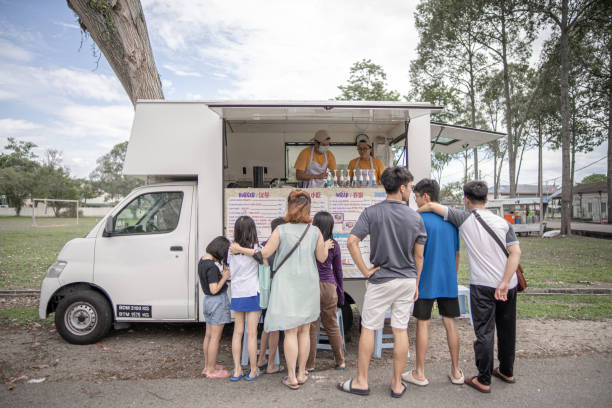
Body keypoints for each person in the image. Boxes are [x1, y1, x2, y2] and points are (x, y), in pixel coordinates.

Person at [417, 180, 521, 394]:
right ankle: (506, 371)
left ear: (466, 199)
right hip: (508, 284)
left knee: (484, 331)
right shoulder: (503, 223)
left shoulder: (464, 219)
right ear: (487, 199)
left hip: (483, 285)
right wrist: (504, 281)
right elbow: (516, 253)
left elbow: (433, 207)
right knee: (507, 329)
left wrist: (419, 209)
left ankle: (483, 378)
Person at [337, 166, 426, 398]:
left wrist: (366, 270)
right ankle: (397, 384)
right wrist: (416, 283)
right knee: (400, 330)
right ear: (402, 187)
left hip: (381, 279)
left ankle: (361, 381)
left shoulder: (372, 213)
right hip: (406, 280)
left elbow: (351, 242)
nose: (410, 191)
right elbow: (419, 256)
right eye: (409, 186)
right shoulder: (415, 218)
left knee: (368, 328)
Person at [231, 190, 332, 390]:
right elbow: (322, 258)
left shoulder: (281, 230)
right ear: (308, 208)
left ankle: (292, 377)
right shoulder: (315, 231)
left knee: (291, 331)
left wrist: (241, 249)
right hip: (309, 283)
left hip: (287, 284)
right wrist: (325, 247)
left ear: (289, 206)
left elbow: (264, 253)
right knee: (304, 330)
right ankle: (302, 373)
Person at [401, 179, 464, 387]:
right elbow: (456, 254)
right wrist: (451, 278)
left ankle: (420, 372)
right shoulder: (451, 221)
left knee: (423, 323)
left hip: (424, 280)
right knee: (450, 323)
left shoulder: (418, 220)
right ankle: (456, 371)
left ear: (425, 197)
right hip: (448, 280)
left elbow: (414, 255)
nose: (416, 201)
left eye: (416, 197)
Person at [306, 211, 345, 372]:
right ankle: (340, 361)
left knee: (312, 327)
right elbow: (338, 271)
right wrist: (340, 291)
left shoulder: (309, 243)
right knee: (332, 325)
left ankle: (309, 364)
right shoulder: (334, 244)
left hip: (312, 285)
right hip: (329, 286)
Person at [227, 216, 261, 382]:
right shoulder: (255, 248)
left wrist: (238, 249)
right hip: (252, 292)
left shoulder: (231, 249)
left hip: (237, 292)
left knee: (237, 332)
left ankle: (237, 369)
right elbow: (263, 259)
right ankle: (253, 370)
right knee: (252, 333)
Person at [256, 217, 285, 375]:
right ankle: (271, 364)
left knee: (267, 325)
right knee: (275, 328)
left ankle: (261, 359)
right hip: (277, 290)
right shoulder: (280, 248)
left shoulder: (262, 246)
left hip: (264, 290)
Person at [199, 236, 232, 379]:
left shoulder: (202, 261)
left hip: (207, 301)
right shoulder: (212, 267)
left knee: (208, 335)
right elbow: (214, 289)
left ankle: (208, 366)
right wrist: (224, 277)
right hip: (216, 301)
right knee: (215, 338)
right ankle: (212, 371)